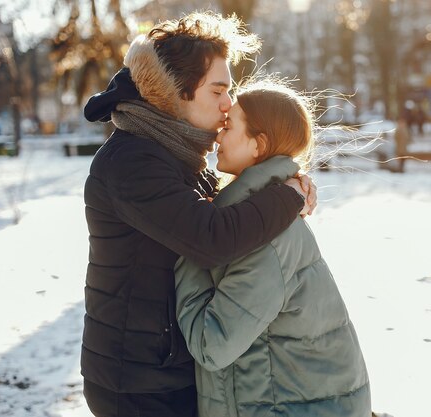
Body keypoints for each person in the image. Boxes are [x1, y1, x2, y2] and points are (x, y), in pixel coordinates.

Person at [81, 12, 316, 417]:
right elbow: (212, 238)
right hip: (136, 386)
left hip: (164, 370)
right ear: (175, 91)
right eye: (218, 91)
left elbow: (222, 212)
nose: (229, 103)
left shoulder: (172, 154)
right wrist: (287, 197)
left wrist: (279, 181)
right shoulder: (134, 162)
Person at [174, 81, 371, 417]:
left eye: (229, 127)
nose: (217, 137)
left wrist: (189, 249)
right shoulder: (259, 215)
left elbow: (213, 345)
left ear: (258, 144)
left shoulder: (266, 237)